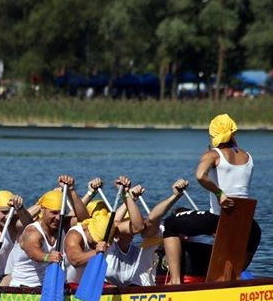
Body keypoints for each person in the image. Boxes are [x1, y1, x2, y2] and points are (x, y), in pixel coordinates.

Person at [162, 114, 262, 284]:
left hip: (218, 219)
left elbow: (200, 176)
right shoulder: (248, 157)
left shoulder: (212, 154)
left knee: (170, 224)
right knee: (256, 233)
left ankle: (176, 281)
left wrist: (219, 194)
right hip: (244, 222)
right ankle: (232, 278)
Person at [105, 179, 189, 286]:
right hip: (141, 286)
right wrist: (176, 196)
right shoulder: (160, 231)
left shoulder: (194, 236)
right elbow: (153, 218)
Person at [63, 176, 138, 286]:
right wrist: (85, 192)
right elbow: (75, 260)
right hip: (69, 286)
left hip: (90, 285)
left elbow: (121, 222)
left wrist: (128, 197)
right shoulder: (74, 232)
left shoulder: (104, 229)